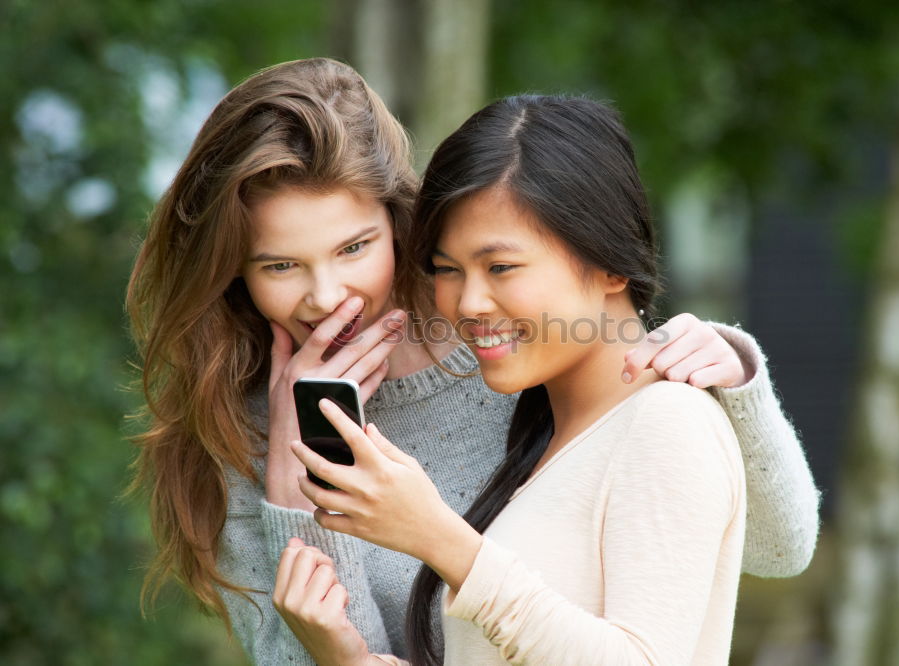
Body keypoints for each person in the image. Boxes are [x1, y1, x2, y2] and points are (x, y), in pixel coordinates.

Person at [125, 59, 818, 665]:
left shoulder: (507, 343)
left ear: (398, 224)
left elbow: (768, 548)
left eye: (355, 248)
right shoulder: (241, 430)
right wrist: (293, 498)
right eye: (280, 265)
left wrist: (731, 379)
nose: (326, 296)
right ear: (233, 273)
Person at [282, 94, 752, 665]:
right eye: (447, 270)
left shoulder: (667, 422)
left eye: (500, 267)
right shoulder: (548, 440)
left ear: (610, 263)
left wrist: (439, 538)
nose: (469, 302)